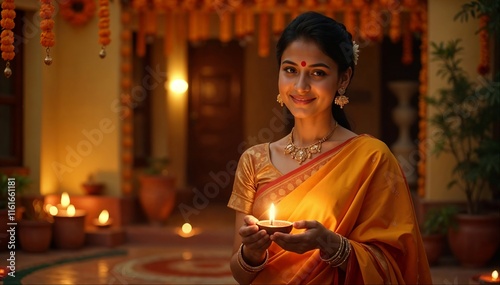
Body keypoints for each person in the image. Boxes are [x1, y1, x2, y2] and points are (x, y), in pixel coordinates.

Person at [227, 11, 432, 285]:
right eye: (290, 70)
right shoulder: (253, 160)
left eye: (318, 73)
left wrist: (331, 244)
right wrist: (251, 253)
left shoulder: (372, 159)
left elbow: (395, 265)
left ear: (343, 79)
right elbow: (241, 275)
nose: (301, 86)